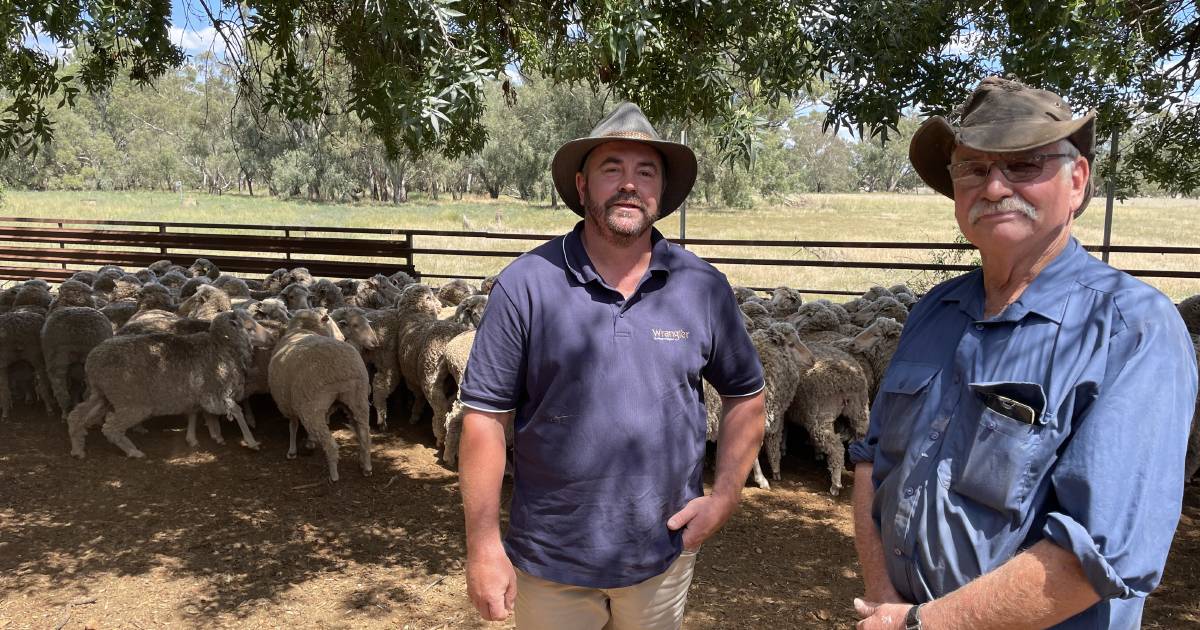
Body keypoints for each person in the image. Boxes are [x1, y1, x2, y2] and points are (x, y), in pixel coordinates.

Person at [849, 76, 1198, 629]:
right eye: (974, 168)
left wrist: (922, 624)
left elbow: (1099, 554)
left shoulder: (1131, 331)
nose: (993, 188)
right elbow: (872, 458)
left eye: (1023, 166)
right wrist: (883, 591)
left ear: (1077, 180)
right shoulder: (934, 311)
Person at [457, 102, 767, 629]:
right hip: (551, 558)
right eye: (612, 169)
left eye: (645, 172)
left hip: (661, 555)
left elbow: (747, 394)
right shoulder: (526, 285)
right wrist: (484, 544)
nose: (630, 185)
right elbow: (485, 417)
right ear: (582, 187)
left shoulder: (702, 288)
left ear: (661, 192)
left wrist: (724, 498)